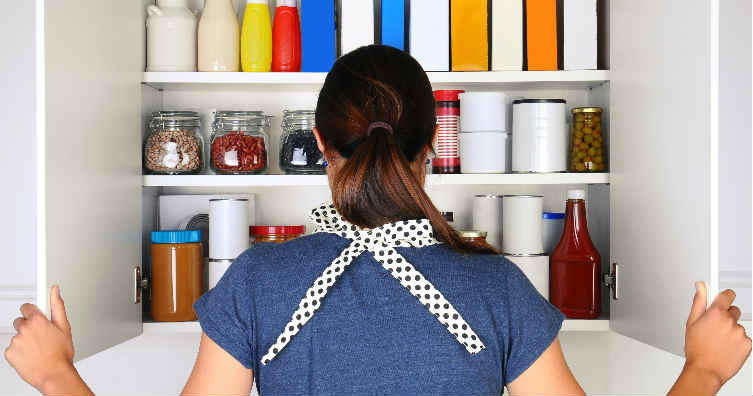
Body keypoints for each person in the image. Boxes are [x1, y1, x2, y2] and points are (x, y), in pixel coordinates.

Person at [4, 45, 751, 396]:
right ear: (432, 151)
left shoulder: (260, 281)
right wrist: (705, 371)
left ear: (320, 145)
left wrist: (56, 377)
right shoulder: (495, 287)